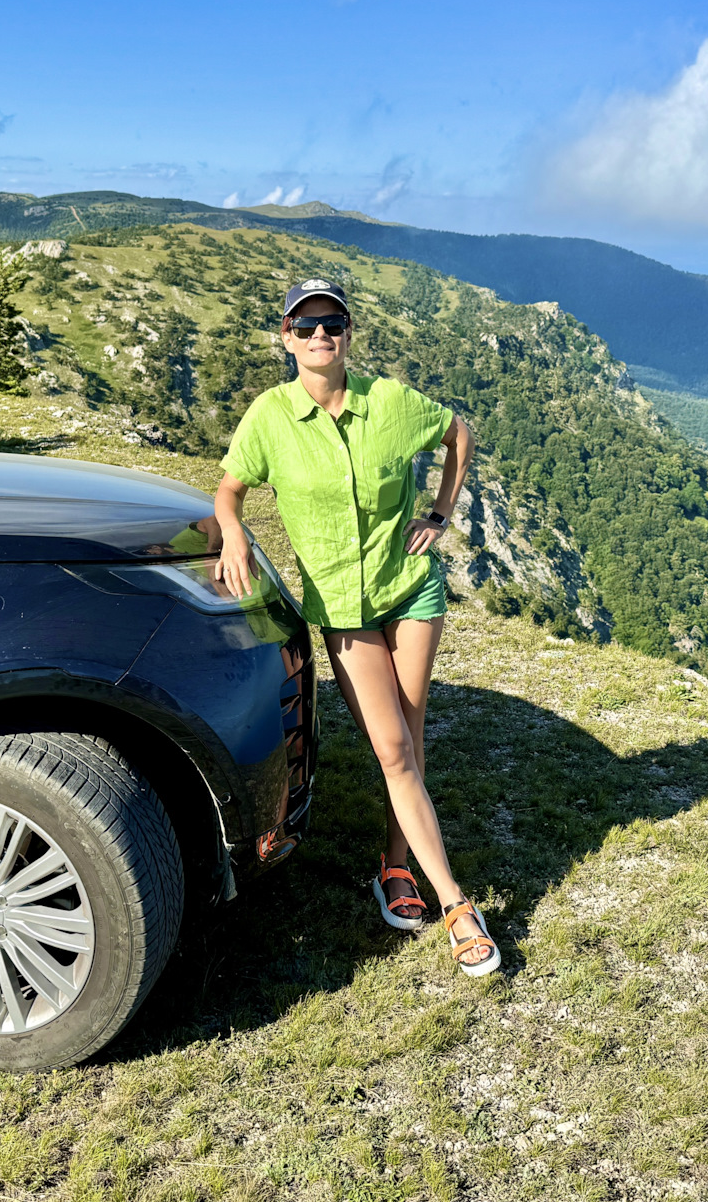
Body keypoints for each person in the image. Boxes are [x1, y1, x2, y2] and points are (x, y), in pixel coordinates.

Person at [213, 279, 500, 977]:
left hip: (411, 591)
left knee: (409, 734)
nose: (320, 337)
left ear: (348, 332)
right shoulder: (269, 417)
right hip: (341, 605)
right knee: (394, 748)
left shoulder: (391, 403)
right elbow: (230, 486)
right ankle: (458, 905)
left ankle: (395, 868)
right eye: (305, 326)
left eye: (332, 324)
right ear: (286, 337)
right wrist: (231, 532)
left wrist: (439, 512)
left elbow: (458, 433)